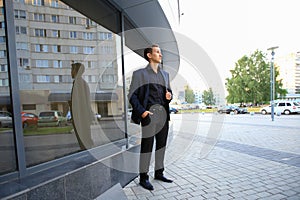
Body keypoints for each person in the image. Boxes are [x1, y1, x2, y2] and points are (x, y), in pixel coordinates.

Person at [128, 44, 173, 190]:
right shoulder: (139, 74)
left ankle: (159, 173)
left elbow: (168, 94)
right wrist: (142, 112)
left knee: (161, 146)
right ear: (149, 55)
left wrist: (169, 97)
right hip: (149, 116)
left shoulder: (165, 75)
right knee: (147, 148)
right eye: (157, 52)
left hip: (163, 116)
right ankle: (143, 177)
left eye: (160, 52)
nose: (160, 55)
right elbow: (132, 96)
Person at [71, 62, 94, 150]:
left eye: (72, 70)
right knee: (85, 137)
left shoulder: (79, 83)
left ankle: (86, 152)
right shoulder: (82, 83)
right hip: (83, 116)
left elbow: (80, 102)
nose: (71, 72)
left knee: (84, 138)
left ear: (76, 71)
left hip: (81, 117)